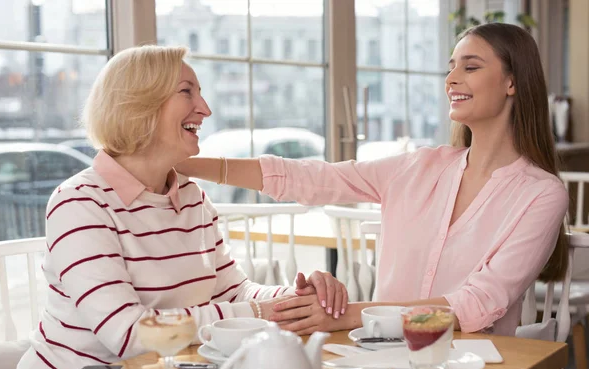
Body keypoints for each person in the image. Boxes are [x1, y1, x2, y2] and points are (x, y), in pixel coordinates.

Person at [175, 23, 569, 336]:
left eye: (470, 66)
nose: (451, 79)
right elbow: (312, 178)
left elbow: (477, 304)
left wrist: (351, 316)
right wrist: (182, 164)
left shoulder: (541, 195)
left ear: (512, 82)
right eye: (449, 67)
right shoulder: (419, 166)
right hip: (381, 357)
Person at [14, 45, 347, 369]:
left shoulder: (190, 196)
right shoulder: (80, 203)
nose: (205, 109)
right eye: (187, 92)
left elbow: (234, 290)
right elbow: (129, 335)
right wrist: (263, 312)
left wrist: (298, 297)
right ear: (138, 104)